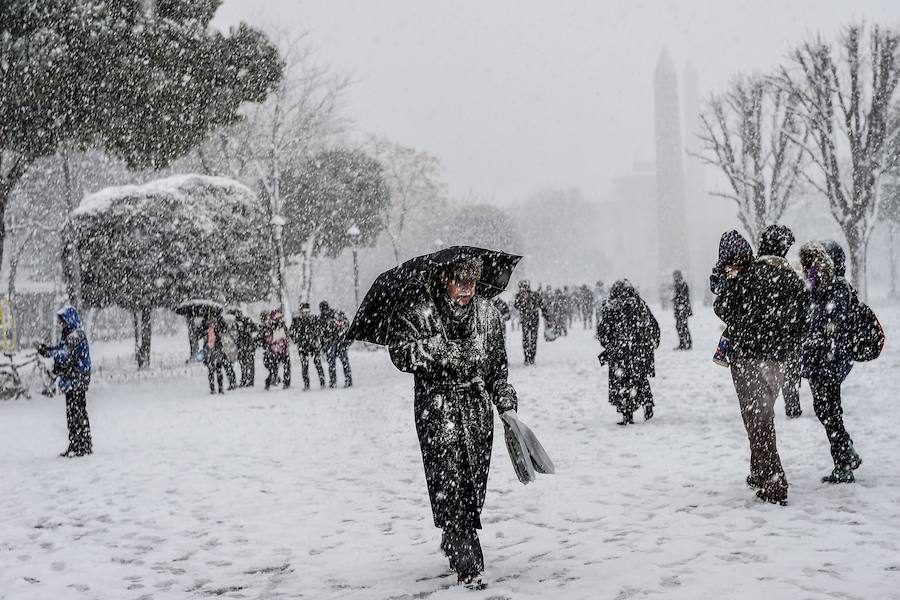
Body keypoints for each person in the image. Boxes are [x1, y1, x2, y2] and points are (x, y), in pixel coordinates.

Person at [388, 255, 518, 586]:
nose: (466, 289)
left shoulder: (488, 314)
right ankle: (469, 564)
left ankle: (453, 534)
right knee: (450, 482)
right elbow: (400, 352)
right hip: (437, 410)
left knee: (473, 486)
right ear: (445, 279)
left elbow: (497, 369)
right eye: (459, 281)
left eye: (472, 282)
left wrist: (506, 405)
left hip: (476, 414)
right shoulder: (419, 309)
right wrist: (439, 352)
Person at [714, 229, 807, 506]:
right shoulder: (791, 278)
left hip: (748, 357)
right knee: (762, 415)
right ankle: (759, 470)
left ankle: (774, 482)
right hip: (778, 359)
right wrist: (784, 340)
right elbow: (803, 318)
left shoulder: (748, 276)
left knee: (757, 419)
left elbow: (724, 309)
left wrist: (725, 286)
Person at [800, 241, 862, 484]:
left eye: (818, 263)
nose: (813, 269)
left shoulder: (838, 287)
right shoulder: (816, 286)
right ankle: (847, 451)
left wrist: (813, 300)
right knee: (824, 409)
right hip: (819, 360)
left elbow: (829, 319)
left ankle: (844, 463)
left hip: (830, 360)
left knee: (831, 411)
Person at [596, 280, 660, 425]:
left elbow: (604, 331)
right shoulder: (639, 304)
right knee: (640, 378)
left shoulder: (611, 306)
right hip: (639, 350)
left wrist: (608, 344)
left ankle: (627, 414)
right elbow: (652, 324)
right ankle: (647, 403)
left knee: (621, 383)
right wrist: (653, 340)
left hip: (620, 352)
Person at [758, 224, 802, 417]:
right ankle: (792, 406)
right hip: (786, 341)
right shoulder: (790, 277)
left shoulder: (754, 273)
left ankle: (765, 410)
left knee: (763, 382)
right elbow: (802, 313)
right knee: (788, 375)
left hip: (761, 341)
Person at [37, 306, 93, 457]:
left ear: (69, 319)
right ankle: (78, 444)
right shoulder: (70, 334)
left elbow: (65, 355)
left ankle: (81, 445)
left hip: (77, 379)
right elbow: (62, 350)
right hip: (74, 379)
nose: (61, 324)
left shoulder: (76, 335)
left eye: (62, 321)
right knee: (74, 412)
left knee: (76, 412)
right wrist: (48, 350)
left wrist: (51, 355)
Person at [290, 303, 325, 390]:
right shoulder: (296, 320)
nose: (305, 313)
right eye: (303, 311)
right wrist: (297, 339)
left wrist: (316, 338)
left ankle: (322, 382)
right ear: (300, 311)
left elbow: (320, 330)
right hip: (302, 346)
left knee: (318, 363)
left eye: (307, 311)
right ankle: (306, 384)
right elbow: (291, 332)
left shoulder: (314, 319)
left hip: (313, 345)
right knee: (304, 366)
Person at [318, 301, 352, 388]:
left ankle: (343, 381)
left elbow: (345, 324)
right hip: (332, 343)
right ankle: (337, 381)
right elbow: (321, 334)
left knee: (340, 363)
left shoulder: (335, 314)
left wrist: (339, 328)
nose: (324, 311)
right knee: (334, 364)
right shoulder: (321, 319)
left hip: (338, 342)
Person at [513, 280, 542, 365]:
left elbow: (542, 305)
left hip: (534, 321)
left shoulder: (535, 295)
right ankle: (526, 357)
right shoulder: (519, 296)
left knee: (533, 339)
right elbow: (516, 306)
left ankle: (531, 357)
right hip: (525, 321)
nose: (522, 290)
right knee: (526, 339)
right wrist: (521, 300)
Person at [263, 308, 291, 390]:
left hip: (283, 351)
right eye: (277, 318)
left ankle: (286, 383)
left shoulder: (283, 326)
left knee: (286, 368)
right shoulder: (270, 327)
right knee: (273, 369)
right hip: (274, 351)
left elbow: (287, 337)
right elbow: (268, 339)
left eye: (280, 318)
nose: (279, 320)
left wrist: (284, 343)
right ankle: (269, 382)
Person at [203, 314, 227, 394]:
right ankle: (212, 389)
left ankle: (220, 388)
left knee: (218, 370)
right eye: (210, 323)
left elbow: (224, 329)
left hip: (217, 351)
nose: (212, 324)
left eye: (213, 322)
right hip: (210, 352)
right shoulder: (207, 331)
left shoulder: (217, 330)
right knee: (211, 371)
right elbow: (205, 342)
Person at [233, 311, 258, 387]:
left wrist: (247, 333)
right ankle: (246, 379)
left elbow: (255, 331)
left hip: (247, 345)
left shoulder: (246, 321)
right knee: (244, 363)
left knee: (247, 363)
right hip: (244, 345)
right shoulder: (239, 322)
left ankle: (248, 380)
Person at [672, 270, 693, 350]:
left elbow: (683, 297)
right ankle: (684, 343)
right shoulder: (678, 284)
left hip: (682, 309)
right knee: (680, 326)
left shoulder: (682, 284)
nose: (674, 278)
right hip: (680, 309)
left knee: (682, 326)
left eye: (675, 276)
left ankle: (686, 343)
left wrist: (678, 302)